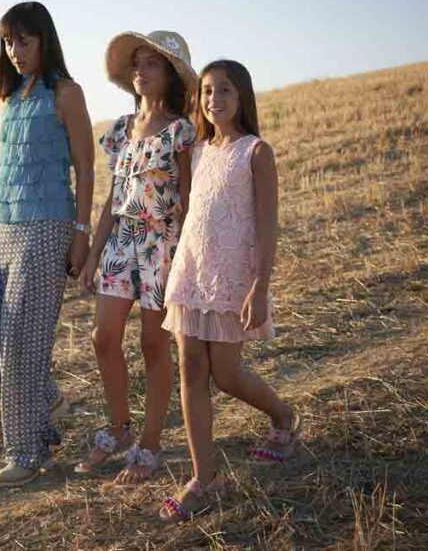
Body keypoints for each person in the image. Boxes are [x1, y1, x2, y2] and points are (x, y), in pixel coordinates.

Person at [0, 1, 95, 487]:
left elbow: (87, 166)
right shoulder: (9, 98)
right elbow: (1, 163)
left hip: (47, 225)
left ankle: (28, 453)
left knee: (19, 344)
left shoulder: (67, 93)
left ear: (45, 40)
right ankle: (45, 395)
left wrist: (81, 233)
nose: (15, 51)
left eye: (25, 41)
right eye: (8, 41)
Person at [159, 59, 300, 522]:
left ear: (242, 98)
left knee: (227, 373)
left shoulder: (256, 152)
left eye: (224, 91)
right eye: (206, 91)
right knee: (190, 367)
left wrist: (260, 286)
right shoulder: (197, 151)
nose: (213, 99)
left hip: (231, 277)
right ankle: (205, 477)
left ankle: (283, 416)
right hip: (191, 272)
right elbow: (188, 215)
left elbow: (267, 224)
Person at [75, 31, 197, 484]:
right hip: (121, 242)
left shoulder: (181, 130)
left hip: (162, 243)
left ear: (169, 75)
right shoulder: (122, 131)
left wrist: (186, 254)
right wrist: (91, 257)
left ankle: (149, 443)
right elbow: (113, 199)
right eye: (138, 64)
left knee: (152, 345)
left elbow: (186, 199)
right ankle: (120, 427)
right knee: (102, 337)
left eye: (153, 64)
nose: (142, 71)